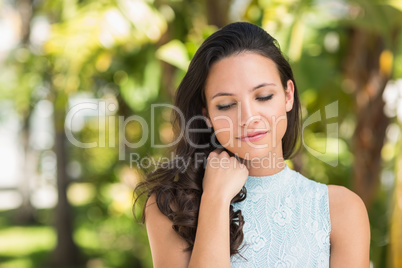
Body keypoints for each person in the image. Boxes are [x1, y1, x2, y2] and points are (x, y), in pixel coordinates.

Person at [133, 21, 370, 267]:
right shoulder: (172, 206)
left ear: (288, 95)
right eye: (226, 105)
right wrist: (215, 198)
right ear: (207, 115)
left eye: (264, 96)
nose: (248, 118)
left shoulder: (340, 209)